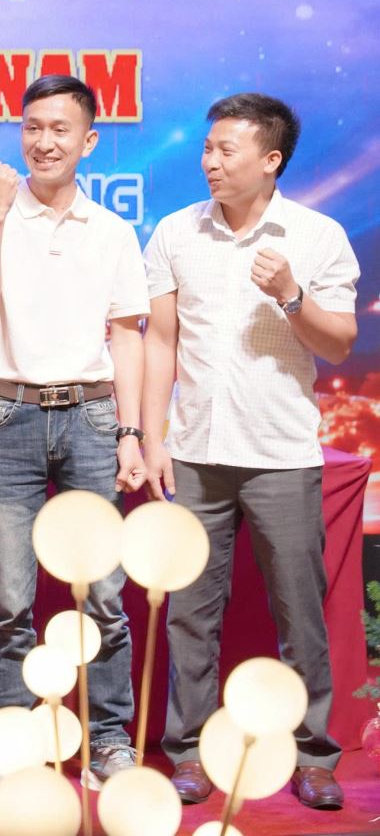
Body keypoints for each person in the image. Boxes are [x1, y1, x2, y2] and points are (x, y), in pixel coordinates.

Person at [143, 93, 359, 812]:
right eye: (207, 147)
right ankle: (189, 751)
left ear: (270, 160)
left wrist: (291, 295)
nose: (209, 160)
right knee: (190, 614)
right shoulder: (176, 231)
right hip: (196, 452)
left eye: (225, 149)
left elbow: (339, 343)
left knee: (299, 613)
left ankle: (314, 755)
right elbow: (161, 340)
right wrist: (151, 436)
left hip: (282, 454)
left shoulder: (317, 235)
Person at [0, 74, 148, 794]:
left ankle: (108, 741)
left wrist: (130, 433)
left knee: (102, 593)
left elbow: (127, 335)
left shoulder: (113, 231)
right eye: (32, 127)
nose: (44, 142)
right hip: (8, 415)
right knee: (10, 596)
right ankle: (15, 747)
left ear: (88, 140)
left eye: (60, 129)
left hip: (93, 417)